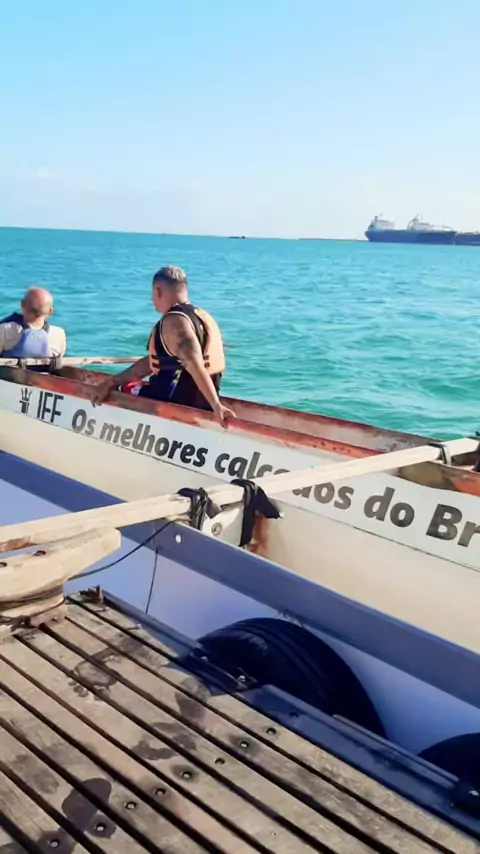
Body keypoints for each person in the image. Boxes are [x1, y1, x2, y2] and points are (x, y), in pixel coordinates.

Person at [90, 266, 235, 426]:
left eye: (152, 294)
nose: (152, 300)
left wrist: (216, 405)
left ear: (158, 291)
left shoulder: (174, 322)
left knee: (124, 389)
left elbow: (193, 362)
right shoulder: (201, 317)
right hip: (201, 406)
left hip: (171, 406)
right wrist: (112, 381)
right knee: (122, 384)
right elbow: (158, 361)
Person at [0, 287, 66, 363]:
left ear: (22, 304)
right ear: (50, 311)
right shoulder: (59, 334)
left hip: (11, 370)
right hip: (45, 370)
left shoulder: (5, 330)